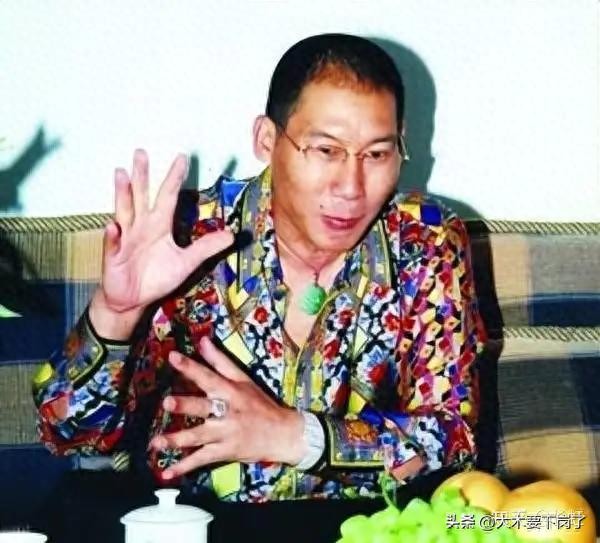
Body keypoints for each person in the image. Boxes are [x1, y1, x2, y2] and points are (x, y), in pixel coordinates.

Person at [32, 33, 486, 502]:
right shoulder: (189, 238)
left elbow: (455, 443)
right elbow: (71, 438)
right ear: (267, 140)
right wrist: (116, 314)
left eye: (376, 154)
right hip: (192, 521)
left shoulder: (424, 241)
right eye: (326, 150)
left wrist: (295, 436)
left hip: (364, 526)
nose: (351, 187)